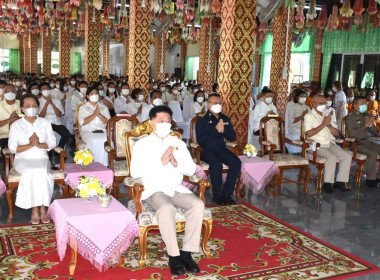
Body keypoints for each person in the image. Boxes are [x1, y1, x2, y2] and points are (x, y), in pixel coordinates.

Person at [131, 106, 203, 276]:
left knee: (197, 205)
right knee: (166, 208)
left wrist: (178, 164)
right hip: (154, 189)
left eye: (168, 121)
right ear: (152, 123)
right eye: (161, 121)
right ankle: (174, 256)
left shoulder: (177, 143)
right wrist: (161, 162)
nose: (165, 124)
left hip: (176, 188)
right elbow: (135, 172)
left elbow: (192, 169)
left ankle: (187, 253)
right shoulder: (142, 144)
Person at [8, 93, 57, 224]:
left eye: (34, 105)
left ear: (38, 107)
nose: (31, 108)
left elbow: (52, 143)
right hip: (23, 159)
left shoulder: (45, 122)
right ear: (22, 109)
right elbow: (12, 148)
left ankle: (43, 208)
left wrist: (40, 144)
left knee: (41, 171)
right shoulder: (16, 125)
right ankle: (35, 209)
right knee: (30, 171)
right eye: (27, 106)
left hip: (41, 157)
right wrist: (30, 145)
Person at [195, 93, 241, 205]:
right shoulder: (202, 120)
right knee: (216, 163)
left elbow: (232, 137)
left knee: (236, 162)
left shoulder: (224, 118)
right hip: (206, 150)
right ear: (209, 104)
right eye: (215, 103)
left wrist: (224, 129)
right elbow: (202, 140)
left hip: (221, 149)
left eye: (220, 103)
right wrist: (216, 129)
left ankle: (227, 193)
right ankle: (218, 195)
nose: (218, 105)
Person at [304, 94, 352, 193]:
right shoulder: (309, 116)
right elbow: (308, 133)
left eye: (324, 103)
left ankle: (341, 182)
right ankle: (328, 184)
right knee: (332, 157)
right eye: (320, 103)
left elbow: (335, 133)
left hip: (329, 143)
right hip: (316, 145)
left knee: (347, 156)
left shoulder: (327, 115)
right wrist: (323, 124)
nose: (323, 105)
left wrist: (329, 125)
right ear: (314, 104)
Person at [346, 96, 380, 188]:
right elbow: (352, 133)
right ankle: (370, 180)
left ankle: (378, 177)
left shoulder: (366, 115)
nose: (365, 105)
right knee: (372, 153)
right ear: (355, 105)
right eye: (362, 104)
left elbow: (374, 132)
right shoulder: (350, 117)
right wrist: (365, 125)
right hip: (357, 143)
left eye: (365, 103)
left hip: (368, 141)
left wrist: (371, 125)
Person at [78, 87, 111, 166]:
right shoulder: (83, 108)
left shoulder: (104, 108)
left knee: (107, 140)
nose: (94, 95)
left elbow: (108, 122)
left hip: (102, 130)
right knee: (95, 140)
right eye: (92, 94)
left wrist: (99, 114)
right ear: (87, 96)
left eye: (96, 93)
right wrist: (94, 114)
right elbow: (83, 122)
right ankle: (92, 165)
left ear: (99, 96)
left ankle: (105, 165)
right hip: (88, 131)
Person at [38, 82, 71, 149]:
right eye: (43, 89)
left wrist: (51, 103)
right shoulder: (38, 101)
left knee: (66, 134)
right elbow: (41, 116)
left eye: (47, 89)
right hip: (44, 123)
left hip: (56, 123)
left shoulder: (57, 101)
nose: (45, 91)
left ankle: (59, 148)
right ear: (40, 91)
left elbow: (59, 114)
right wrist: (46, 104)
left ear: (50, 90)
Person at [0, 84, 21, 151]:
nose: (10, 93)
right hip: (5, 136)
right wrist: (10, 119)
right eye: (7, 91)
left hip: (21, 134)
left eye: (12, 91)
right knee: (6, 156)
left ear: (15, 92)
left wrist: (19, 118)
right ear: (3, 93)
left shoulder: (21, 103)